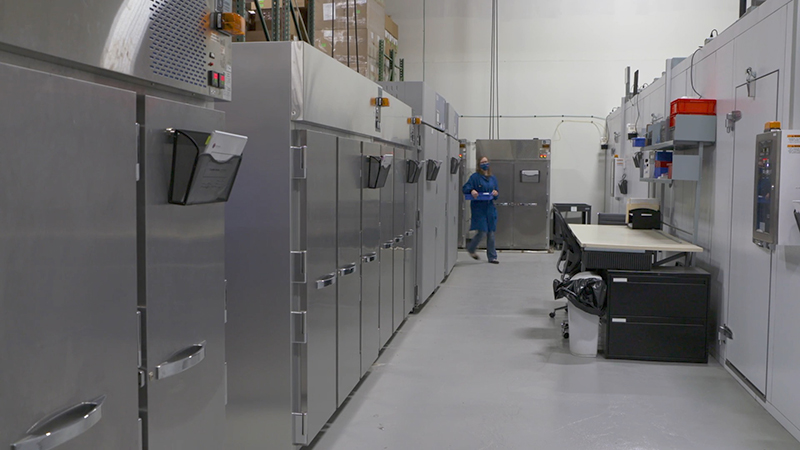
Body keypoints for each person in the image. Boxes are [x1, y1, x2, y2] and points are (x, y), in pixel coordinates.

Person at [463, 156, 499, 263]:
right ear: (479, 164)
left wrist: (495, 193)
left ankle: (492, 257)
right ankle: (471, 248)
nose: (485, 164)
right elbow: (465, 188)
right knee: (482, 231)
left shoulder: (492, 178)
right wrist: (472, 190)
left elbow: (496, 193)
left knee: (491, 233)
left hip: (490, 208)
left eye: (486, 161)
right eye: (482, 162)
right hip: (479, 208)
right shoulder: (475, 177)